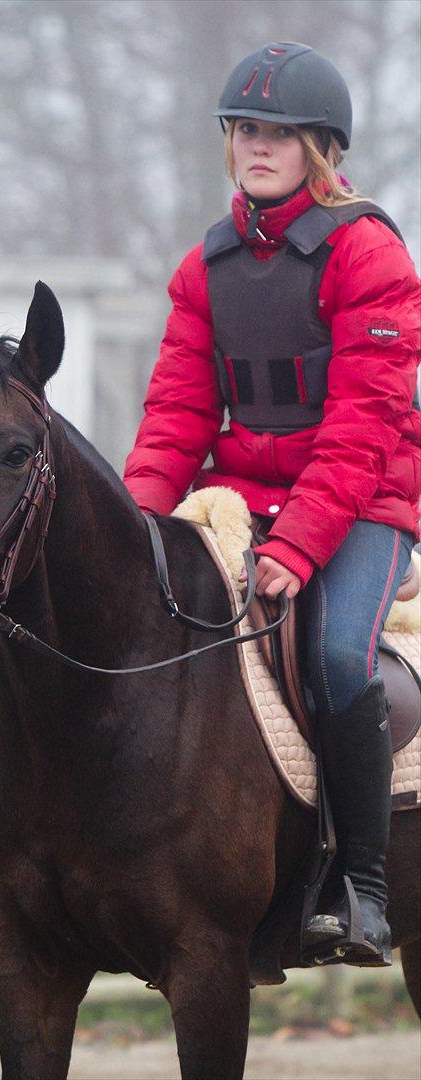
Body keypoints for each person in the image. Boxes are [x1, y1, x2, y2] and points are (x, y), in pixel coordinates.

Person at [123, 41, 420, 966]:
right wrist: (136, 525)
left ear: (320, 148)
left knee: (336, 656)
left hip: (366, 500)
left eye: (280, 133)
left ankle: (361, 889)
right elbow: (176, 412)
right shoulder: (202, 267)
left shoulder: (368, 253)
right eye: (246, 129)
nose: (258, 145)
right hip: (242, 496)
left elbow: (364, 427)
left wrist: (298, 547)